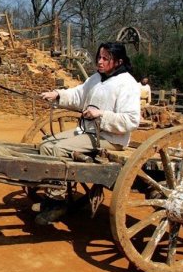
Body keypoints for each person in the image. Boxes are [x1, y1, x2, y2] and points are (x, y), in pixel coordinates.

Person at [33, 42, 141, 225]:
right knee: (45, 144)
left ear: (119, 61)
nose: (100, 61)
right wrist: (57, 95)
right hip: (88, 132)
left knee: (56, 149)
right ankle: (53, 196)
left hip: (110, 138)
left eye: (106, 58)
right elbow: (78, 95)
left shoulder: (127, 84)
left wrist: (101, 115)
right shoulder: (96, 78)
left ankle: (57, 202)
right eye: (99, 57)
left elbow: (131, 120)